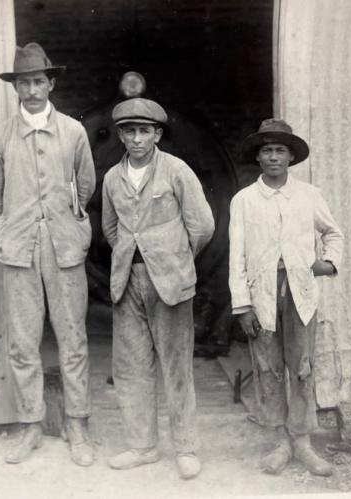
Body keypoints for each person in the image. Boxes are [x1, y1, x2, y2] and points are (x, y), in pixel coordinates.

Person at [0, 43, 96, 466]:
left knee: (73, 338)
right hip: (20, 249)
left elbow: (85, 186)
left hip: (64, 245)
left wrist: (69, 224)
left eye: (38, 81)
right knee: (23, 342)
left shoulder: (73, 132)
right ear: (15, 88)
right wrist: (17, 224)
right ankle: (30, 423)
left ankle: (77, 422)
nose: (31, 90)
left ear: (51, 83)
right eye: (24, 82)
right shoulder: (0, 137)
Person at [101, 98, 215, 479]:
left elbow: (202, 225)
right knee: (132, 367)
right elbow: (112, 229)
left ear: (157, 134)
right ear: (119, 134)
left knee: (176, 366)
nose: (136, 139)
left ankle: (185, 447)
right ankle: (142, 446)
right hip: (127, 281)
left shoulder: (175, 170)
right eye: (129, 131)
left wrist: (174, 257)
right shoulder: (112, 178)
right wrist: (130, 257)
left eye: (144, 131)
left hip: (169, 280)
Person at [228, 119, 345, 477]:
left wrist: (325, 264)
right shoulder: (245, 200)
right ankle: (280, 441)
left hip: (301, 295)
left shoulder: (309, 195)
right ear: (258, 157)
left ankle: (303, 442)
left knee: (303, 367)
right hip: (262, 296)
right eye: (267, 150)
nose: (274, 156)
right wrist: (242, 305)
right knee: (268, 369)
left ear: (291, 156)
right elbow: (237, 256)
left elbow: (333, 233)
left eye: (280, 150)